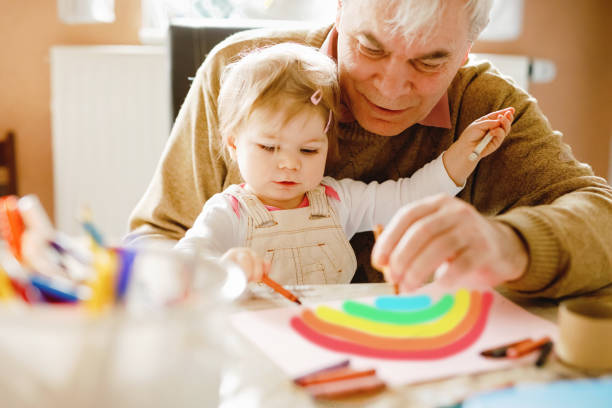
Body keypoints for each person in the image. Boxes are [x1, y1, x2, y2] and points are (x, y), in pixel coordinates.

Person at [126, 0, 612, 298]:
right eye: (372, 48)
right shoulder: (240, 74)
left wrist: (511, 244)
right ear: (339, 8)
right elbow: (157, 237)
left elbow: (602, 220)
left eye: (429, 61)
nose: (392, 87)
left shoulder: (486, 109)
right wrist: (207, 277)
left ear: (467, 49)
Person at [173, 43, 512, 284]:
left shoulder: (338, 200)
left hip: (329, 331)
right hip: (257, 342)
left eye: (308, 151)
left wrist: (467, 152)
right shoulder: (228, 212)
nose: (289, 164)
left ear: (326, 145)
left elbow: (409, 199)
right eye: (269, 147)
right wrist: (224, 268)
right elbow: (184, 264)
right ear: (234, 145)